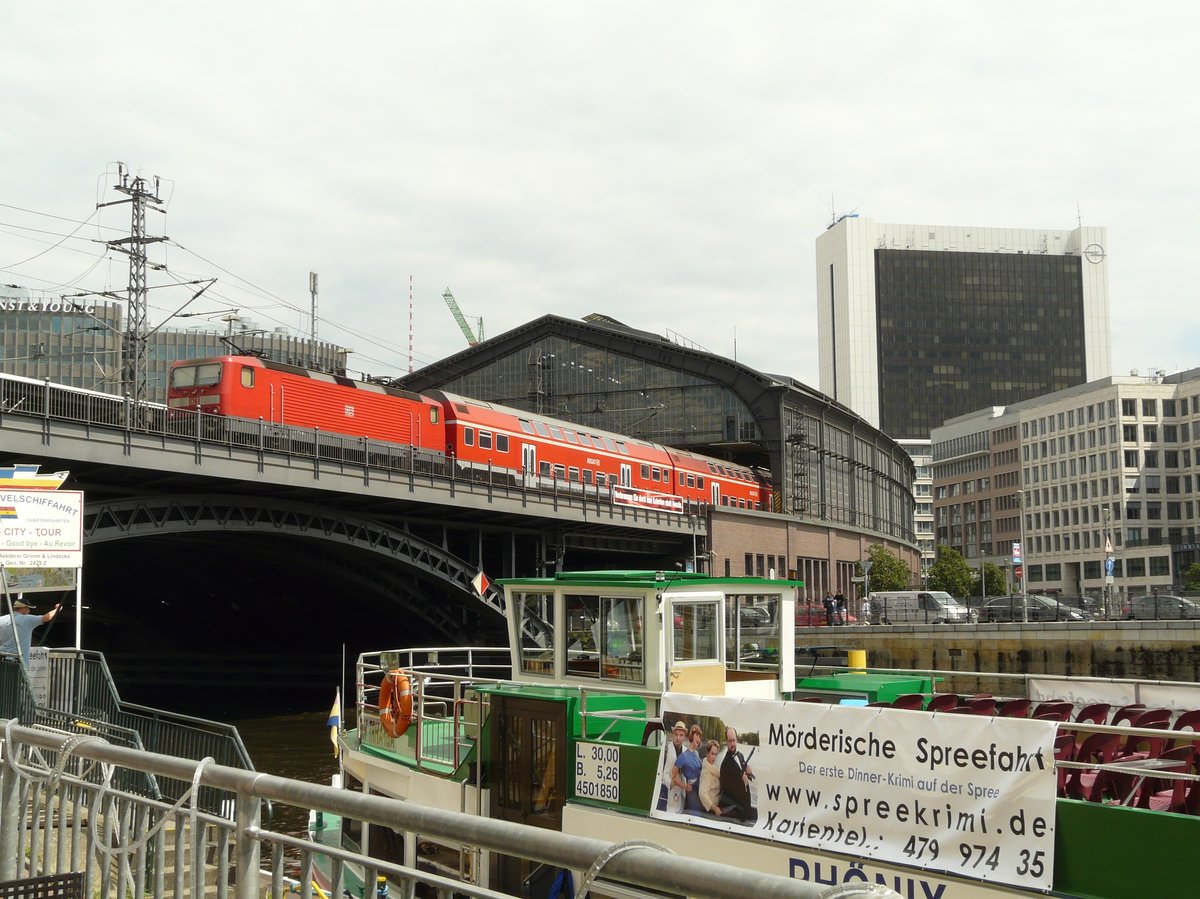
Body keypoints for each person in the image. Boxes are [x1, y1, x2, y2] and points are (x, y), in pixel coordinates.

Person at [0, 596, 62, 665]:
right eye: (28, 608)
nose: (29, 611)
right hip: (19, 662)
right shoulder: (28, 619)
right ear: (23, 608)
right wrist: (57, 609)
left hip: (2, 659)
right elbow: (48, 617)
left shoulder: (2, 619)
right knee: (19, 676)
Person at [719, 726, 755, 822]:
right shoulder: (725, 765)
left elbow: (743, 768)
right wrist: (744, 782)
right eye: (730, 741)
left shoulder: (740, 755)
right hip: (737, 810)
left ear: (737, 740)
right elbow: (729, 791)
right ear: (726, 742)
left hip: (746, 802)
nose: (732, 744)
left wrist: (749, 772)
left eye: (734, 740)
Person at [672, 724, 704, 814]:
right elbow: (674, 775)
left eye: (700, 736)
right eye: (696, 735)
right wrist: (685, 786)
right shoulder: (683, 756)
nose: (698, 739)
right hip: (692, 791)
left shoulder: (697, 754)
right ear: (691, 736)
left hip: (700, 788)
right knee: (696, 814)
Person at [657, 719, 687, 811]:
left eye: (681, 735)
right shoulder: (667, 750)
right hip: (670, 790)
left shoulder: (686, 751)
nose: (678, 737)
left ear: (684, 737)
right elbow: (664, 772)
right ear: (673, 734)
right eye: (676, 734)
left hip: (682, 790)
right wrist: (670, 783)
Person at [698, 739, 723, 815]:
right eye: (712, 753)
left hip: (718, 800)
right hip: (712, 808)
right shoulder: (706, 773)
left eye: (716, 754)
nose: (714, 757)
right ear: (707, 753)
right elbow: (702, 793)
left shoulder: (712, 767)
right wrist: (714, 809)